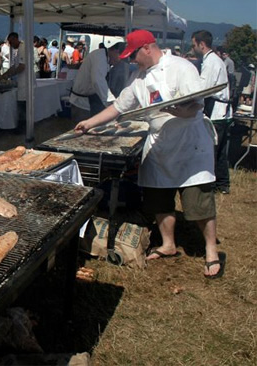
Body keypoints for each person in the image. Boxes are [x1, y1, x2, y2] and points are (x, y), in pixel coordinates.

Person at [75, 29, 224, 279]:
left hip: (188, 141)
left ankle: (211, 252)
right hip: (159, 143)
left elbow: (196, 104)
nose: (131, 60)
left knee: (198, 200)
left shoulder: (181, 67)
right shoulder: (139, 78)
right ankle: (168, 244)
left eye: (133, 55)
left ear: (147, 48)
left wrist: (179, 111)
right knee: (158, 196)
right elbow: (119, 108)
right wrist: (90, 123)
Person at [192, 30, 232, 194]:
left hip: (217, 112)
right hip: (221, 111)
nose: (192, 48)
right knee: (221, 150)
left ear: (201, 44)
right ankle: (222, 184)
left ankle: (212, 184)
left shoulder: (211, 62)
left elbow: (203, 89)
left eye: (194, 44)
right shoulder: (214, 60)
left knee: (212, 149)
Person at [69, 42, 124, 121]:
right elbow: (97, 81)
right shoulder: (99, 57)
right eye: (120, 57)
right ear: (115, 51)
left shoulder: (106, 59)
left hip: (92, 100)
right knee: (82, 128)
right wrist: (111, 103)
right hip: (81, 103)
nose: (120, 61)